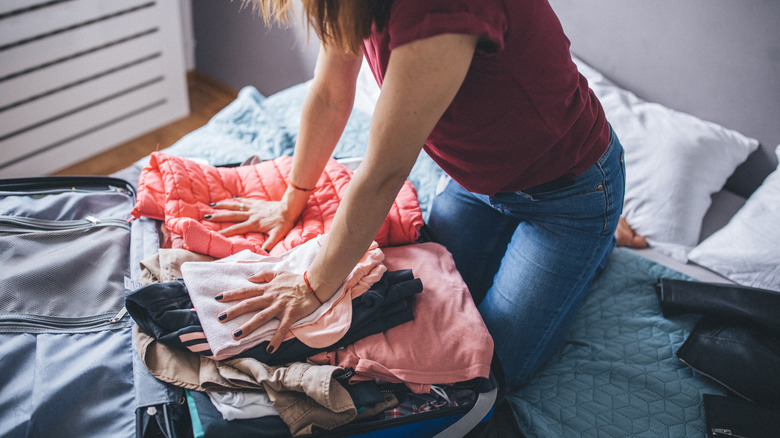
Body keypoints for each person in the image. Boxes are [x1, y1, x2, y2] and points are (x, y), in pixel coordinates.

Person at [206, 0, 626, 389]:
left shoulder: (440, 8)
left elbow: (383, 173)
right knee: (422, 309)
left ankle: (600, 234)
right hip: (475, 183)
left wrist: (312, 289)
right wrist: (291, 199)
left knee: (484, 370)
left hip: (564, 196)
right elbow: (332, 92)